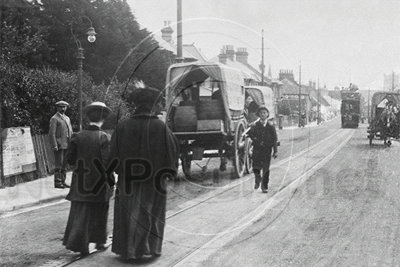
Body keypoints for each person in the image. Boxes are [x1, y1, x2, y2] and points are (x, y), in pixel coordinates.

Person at [109, 85, 180, 261]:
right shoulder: (161, 128)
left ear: (136, 106)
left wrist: (112, 173)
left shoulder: (123, 126)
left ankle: (128, 250)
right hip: (154, 182)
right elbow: (172, 152)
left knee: (128, 213)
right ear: (153, 106)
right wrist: (168, 173)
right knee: (151, 213)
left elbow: (112, 156)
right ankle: (149, 249)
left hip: (128, 181)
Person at [63, 102, 114, 257]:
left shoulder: (77, 136)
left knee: (81, 212)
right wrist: (111, 181)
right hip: (99, 182)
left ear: (88, 118)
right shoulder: (104, 137)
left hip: (81, 182)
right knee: (100, 211)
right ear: (103, 119)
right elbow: (107, 163)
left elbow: (70, 159)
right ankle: (99, 241)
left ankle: (81, 245)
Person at [247, 106, 278, 193]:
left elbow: (274, 139)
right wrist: (251, 129)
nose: (263, 114)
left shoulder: (271, 126)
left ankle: (264, 186)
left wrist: (275, 151)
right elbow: (250, 135)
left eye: (264, 112)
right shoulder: (255, 125)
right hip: (257, 149)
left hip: (267, 150)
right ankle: (257, 178)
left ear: (267, 114)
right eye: (261, 113)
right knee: (255, 167)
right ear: (258, 115)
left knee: (266, 169)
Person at [49, 100, 73, 188]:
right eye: (61, 107)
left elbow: (71, 131)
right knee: (59, 164)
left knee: (65, 164)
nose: (62, 108)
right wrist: (54, 145)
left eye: (64, 107)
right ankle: (58, 182)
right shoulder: (54, 118)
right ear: (57, 108)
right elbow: (52, 133)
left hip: (67, 143)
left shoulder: (67, 118)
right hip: (59, 144)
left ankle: (63, 180)